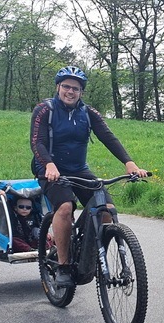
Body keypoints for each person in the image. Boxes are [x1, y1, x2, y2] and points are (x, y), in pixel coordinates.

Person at [30, 65, 148, 287]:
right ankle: (64, 266)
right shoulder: (44, 110)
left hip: (79, 169)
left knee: (107, 210)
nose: (70, 91)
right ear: (58, 87)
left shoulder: (88, 113)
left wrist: (129, 162)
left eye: (75, 88)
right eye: (66, 86)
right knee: (65, 208)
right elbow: (38, 142)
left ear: (81, 92)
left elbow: (108, 137)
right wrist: (49, 165)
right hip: (50, 169)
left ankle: (88, 251)